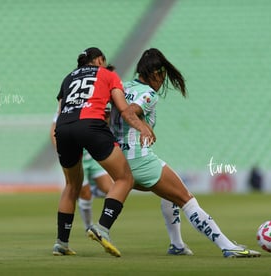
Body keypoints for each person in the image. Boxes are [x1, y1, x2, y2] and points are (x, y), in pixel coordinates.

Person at [110, 48, 261, 258]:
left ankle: (177, 245)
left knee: (170, 195)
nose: (162, 81)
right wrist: (143, 127)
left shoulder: (123, 87)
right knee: (186, 199)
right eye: (162, 76)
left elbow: (109, 112)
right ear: (155, 73)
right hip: (140, 160)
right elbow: (129, 112)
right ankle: (228, 247)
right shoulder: (148, 94)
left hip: (118, 162)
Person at [53, 47, 154, 257]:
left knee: (72, 185)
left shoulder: (68, 78)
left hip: (63, 129)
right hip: (90, 126)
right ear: (99, 60)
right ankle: (103, 228)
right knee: (125, 178)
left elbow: (61, 111)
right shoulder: (108, 74)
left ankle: (61, 242)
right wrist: (143, 127)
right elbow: (124, 109)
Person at [50, 111, 113, 231]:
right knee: (84, 193)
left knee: (110, 190)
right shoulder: (67, 106)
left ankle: (92, 190)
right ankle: (88, 227)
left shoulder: (93, 104)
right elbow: (54, 129)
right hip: (78, 157)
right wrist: (61, 150)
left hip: (93, 155)